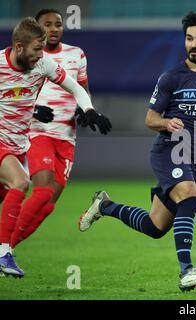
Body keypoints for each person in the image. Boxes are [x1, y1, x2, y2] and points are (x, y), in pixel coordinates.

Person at [78, 11, 196, 291]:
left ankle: (104, 206)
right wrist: (166, 122)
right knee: (190, 197)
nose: (193, 44)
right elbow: (150, 119)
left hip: (194, 159)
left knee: (155, 227)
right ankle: (186, 272)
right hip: (169, 151)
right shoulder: (171, 77)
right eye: (189, 39)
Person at [0, 17, 111, 278]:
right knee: (21, 183)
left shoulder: (43, 64)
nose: (41, 54)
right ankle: (5, 253)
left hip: (18, 143)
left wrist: (89, 110)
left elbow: (74, 87)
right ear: (18, 47)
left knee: (16, 199)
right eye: (36, 49)